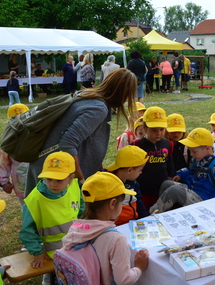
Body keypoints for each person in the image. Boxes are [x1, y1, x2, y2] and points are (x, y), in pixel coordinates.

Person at [25, 68, 139, 196]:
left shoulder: (88, 95)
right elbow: (68, 143)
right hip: (56, 173)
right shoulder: (98, 108)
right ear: (123, 93)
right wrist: (80, 179)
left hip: (51, 165)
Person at [62, 171, 149, 285]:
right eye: (122, 203)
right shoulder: (116, 239)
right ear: (113, 203)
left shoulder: (76, 228)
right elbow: (123, 279)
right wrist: (139, 267)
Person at [20, 151, 85, 285]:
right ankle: (51, 278)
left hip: (76, 244)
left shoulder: (74, 187)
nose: (53, 184)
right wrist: (37, 252)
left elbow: (81, 210)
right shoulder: (34, 200)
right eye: (48, 179)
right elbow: (27, 231)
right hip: (51, 251)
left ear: (71, 178)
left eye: (59, 180)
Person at [150, 128, 215, 213]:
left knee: (174, 191)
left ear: (207, 148)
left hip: (206, 199)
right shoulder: (197, 158)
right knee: (166, 183)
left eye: (194, 151)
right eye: (190, 151)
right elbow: (191, 170)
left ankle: (153, 214)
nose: (191, 154)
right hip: (194, 188)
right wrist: (181, 174)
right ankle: (165, 211)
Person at [133, 106, 175, 210]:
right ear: (144, 128)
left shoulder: (168, 144)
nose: (159, 133)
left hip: (162, 192)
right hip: (143, 192)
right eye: (154, 130)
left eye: (162, 129)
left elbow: (169, 162)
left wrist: (171, 176)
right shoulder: (136, 145)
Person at [105, 145, 149, 224]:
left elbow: (138, 202)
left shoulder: (134, 183)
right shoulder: (106, 183)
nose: (141, 173)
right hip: (114, 226)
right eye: (140, 170)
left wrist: (145, 219)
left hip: (132, 223)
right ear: (129, 170)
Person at [0, 104, 30, 208]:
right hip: (21, 186)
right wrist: (4, 181)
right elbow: (4, 163)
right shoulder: (8, 142)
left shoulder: (38, 137)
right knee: (26, 209)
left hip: (39, 182)